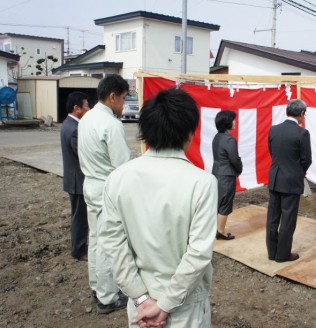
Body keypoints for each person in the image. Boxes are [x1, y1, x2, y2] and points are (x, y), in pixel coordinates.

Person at [98, 87, 217, 328]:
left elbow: (112, 243)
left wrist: (142, 299)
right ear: (190, 133)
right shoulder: (202, 183)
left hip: (140, 305)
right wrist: (164, 305)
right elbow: (199, 253)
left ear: (146, 131)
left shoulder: (118, 178)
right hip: (185, 306)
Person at [78, 74, 131, 314]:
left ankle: (97, 286)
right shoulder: (111, 125)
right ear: (112, 97)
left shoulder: (87, 118)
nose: (123, 105)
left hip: (90, 184)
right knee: (109, 243)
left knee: (97, 239)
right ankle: (107, 297)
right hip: (106, 188)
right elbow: (122, 166)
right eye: (122, 99)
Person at [266, 99, 312, 263]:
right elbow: (307, 159)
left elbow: (272, 152)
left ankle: (272, 252)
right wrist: (298, 171)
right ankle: (283, 254)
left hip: (275, 177)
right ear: (301, 114)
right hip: (292, 180)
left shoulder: (274, 130)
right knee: (288, 219)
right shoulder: (302, 133)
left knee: (272, 217)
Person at [60, 91, 90, 262]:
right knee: (80, 218)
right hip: (78, 181)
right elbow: (82, 156)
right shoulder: (74, 130)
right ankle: (79, 251)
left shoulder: (66, 124)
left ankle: (78, 246)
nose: (88, 109)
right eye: (85, 106)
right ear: (76, 108)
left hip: (72, 180)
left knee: (77, 215)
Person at [212, 110, 243, 240]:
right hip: (227, 175)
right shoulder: (229, 139)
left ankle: (216, 229)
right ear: (227, 123)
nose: (235, 122)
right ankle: (220, 231)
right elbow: (234, 159)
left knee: (218, 202)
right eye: (233, 120)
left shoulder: (217, 137)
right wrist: (239, 169)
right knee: (225, 203)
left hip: (217, 173)